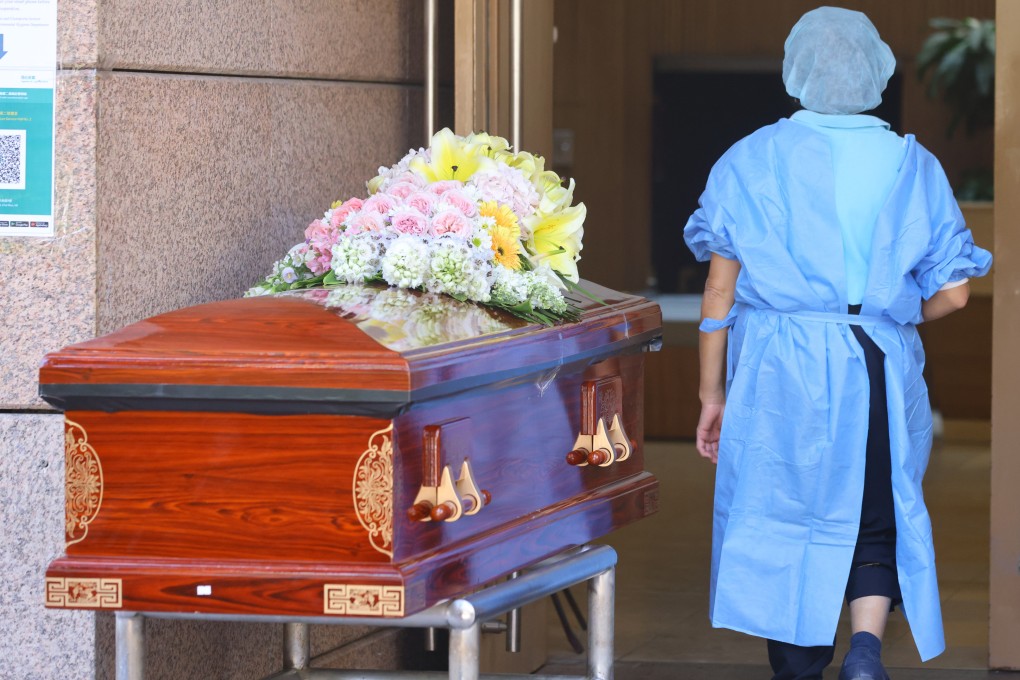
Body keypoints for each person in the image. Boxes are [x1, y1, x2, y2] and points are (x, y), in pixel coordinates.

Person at [683, 7, 993, 680]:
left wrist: (713, 395)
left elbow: (717, 295)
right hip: (877, 361)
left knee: (779, 515)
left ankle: (799, 667)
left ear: (796, 72)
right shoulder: (915, 164)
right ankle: (865, 650)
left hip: (778, 368)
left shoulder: (749, 160)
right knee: (875, 509)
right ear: (876, 70)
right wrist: (891, 311)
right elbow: (958, 292)